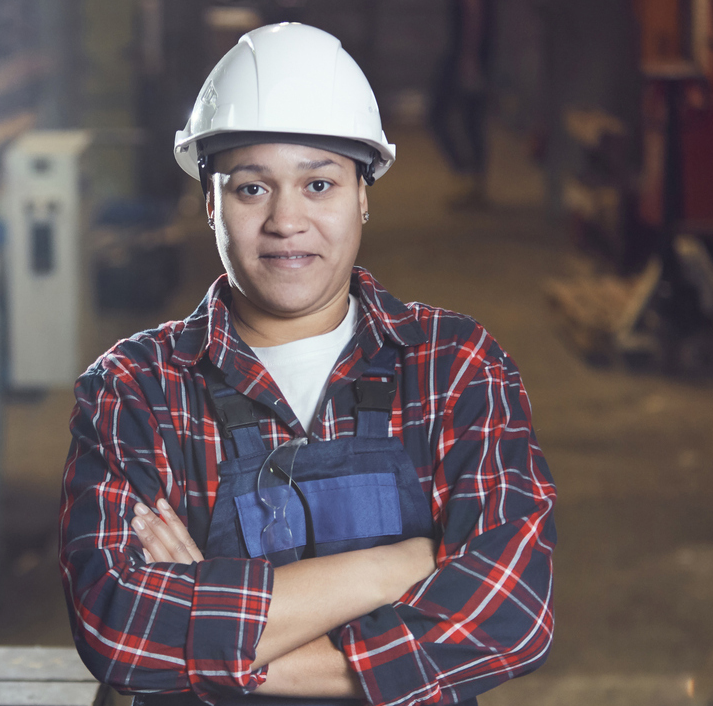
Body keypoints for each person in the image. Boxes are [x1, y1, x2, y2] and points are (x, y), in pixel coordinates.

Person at [59, 23, 555, 706]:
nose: (286, 221)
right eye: (251, 189)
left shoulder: (456, 367)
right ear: (210, 204)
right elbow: (119, 628)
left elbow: (509, 617)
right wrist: (395, 567)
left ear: (363, 196)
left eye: (318, 184)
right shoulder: (136, 388)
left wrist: (220, 637)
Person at [429, 0, 497, 209]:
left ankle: (469, 180)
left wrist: (470, 59)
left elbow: (474, 13)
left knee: (450, 117)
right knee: (471, 120)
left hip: (465, 58)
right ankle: (471, 183)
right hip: (468, 56)